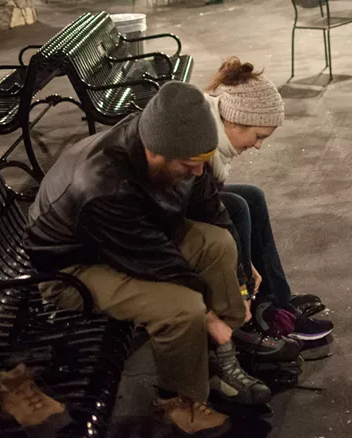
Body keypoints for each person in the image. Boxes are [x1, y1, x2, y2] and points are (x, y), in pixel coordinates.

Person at [25, 82, 271, 437]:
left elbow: (211, 211)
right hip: (72, 268)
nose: (199, 173)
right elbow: (160, 266)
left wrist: (241, 273)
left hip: (132, 237)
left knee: (217, 245)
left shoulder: (176, 143)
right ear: (156, 153)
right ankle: (178, 403)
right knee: (181, 308)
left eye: (203, 162)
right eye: (190, 165)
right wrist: (209, 316)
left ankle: (219, 354)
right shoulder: (103, 187)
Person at [203, 57, 333, 342]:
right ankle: (258, 315)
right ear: (236, 121)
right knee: (237, 206)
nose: (259, 146)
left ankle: (276, 300)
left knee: (252, 196)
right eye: (258, 135)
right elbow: (210, 213)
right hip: (158, 224)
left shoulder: (215, 128)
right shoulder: (202, 146)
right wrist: (243, 278)